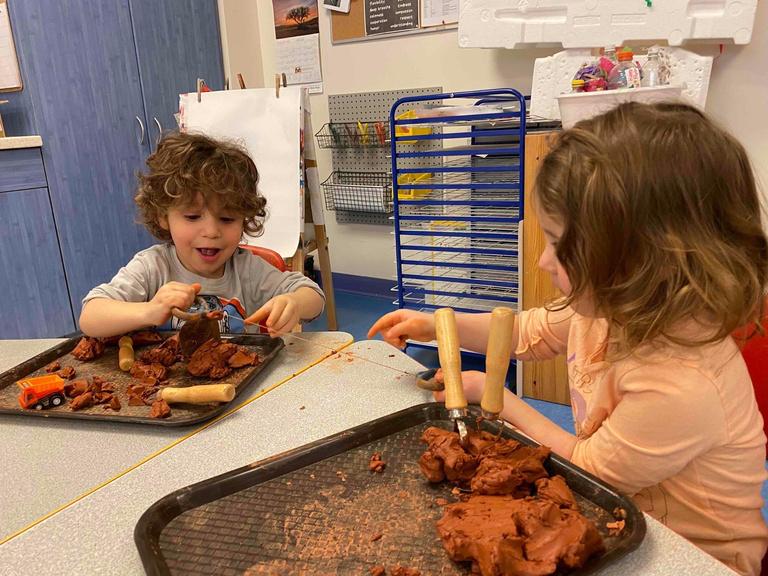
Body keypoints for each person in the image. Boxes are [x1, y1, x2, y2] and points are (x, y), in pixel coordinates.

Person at [368, 102, 768, 575]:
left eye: (559, 243)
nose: (543, 261)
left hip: (697, 557)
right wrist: (440, 325)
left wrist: (499, 400)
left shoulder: (682, 381)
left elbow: (590, 471)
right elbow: (523, 332)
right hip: (626, 517)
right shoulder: (609, 307)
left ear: (638, 260)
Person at [79, 132, 324, 338]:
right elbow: (90, 316)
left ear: (244, 220)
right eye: (192, 217)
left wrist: (294, 303)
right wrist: (149, 311)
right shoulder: (152, 267)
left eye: (227, 219)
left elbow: (313, 296)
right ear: (163, 216)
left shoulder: (247, 270)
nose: (211, 232)